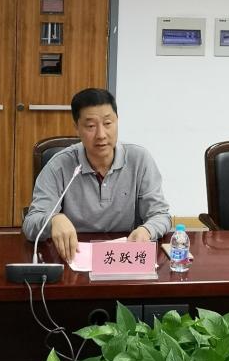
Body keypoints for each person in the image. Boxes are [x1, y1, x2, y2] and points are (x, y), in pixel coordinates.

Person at [22, 88, 171, 262]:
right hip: (74, 256)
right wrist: (53, 220)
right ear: (77, 128)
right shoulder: (59, 165)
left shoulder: (140, 160)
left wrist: (147, 230)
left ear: (117, 121)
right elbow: (31, 223)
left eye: (107, 123)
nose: (101, 135)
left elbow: (161, 215)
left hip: (123, 259)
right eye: (91, 126)